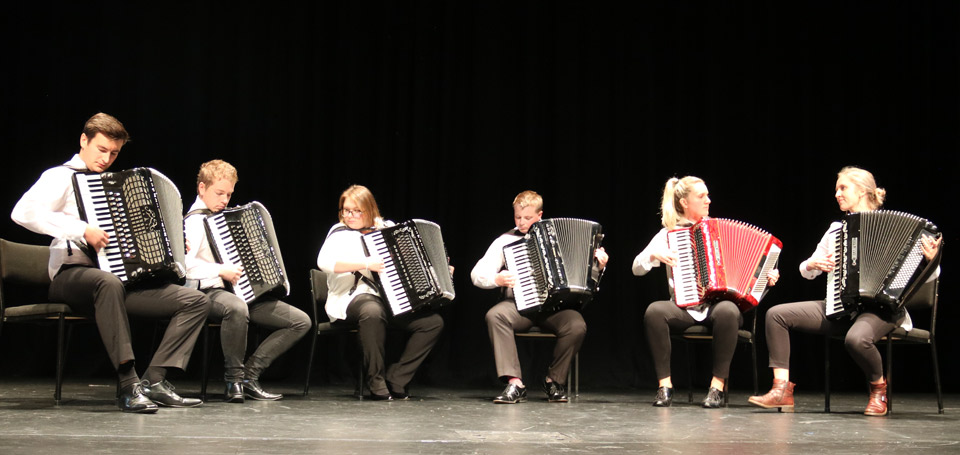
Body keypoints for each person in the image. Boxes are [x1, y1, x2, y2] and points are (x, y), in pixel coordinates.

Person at [11, 113, 210, 413]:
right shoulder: (60, 177)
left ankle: (154, 380)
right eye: (101, 149)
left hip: (118, 282)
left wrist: (171, 245)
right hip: (71, 277)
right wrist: (82, 230)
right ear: (84, 140)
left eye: (114, 153)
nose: (106, 159)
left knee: (195, 301)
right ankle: (128, 385)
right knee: (107, 282)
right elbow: (22, 212)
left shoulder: (115, 187)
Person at [748, 166, 941, 416]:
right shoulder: (836, 230)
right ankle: (781, 389)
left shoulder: (903, 229)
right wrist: (812, 264)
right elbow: (805, 269)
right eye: (836, 189)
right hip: (841, 307)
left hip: (883, 309)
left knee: (856, 339)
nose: (837, 194)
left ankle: (879, 390)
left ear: (862, 191)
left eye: (843, 188)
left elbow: (931, 277)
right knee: (776, 315)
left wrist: (932, 261)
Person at [633, 176, 780, 408]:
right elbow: (636, 268)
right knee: (654, 312)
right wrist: (653, 255)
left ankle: (716, 388)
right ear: (684, 202)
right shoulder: (668, 235)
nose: (708, 200)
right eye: (701, 196)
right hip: (685, 309)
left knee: (728, 310)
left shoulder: (718, 229)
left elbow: (754, 278)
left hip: (718, 309)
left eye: (708, 195)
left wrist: (767, 279)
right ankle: (665, 386)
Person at [183, 159, 310, 402]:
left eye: (229, 194)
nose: (224, 200)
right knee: (237, 308)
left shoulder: (225, 218)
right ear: (202, 188)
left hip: (241, 292)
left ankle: (249, 377)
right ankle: (233, 380)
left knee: (299, 321)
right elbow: (184, 267)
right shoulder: (194, 222)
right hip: (207, 293)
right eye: (219, 193)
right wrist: (220, 270)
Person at [471, 190, 608, 404]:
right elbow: (476, 274)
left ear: (540, 215)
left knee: (576, 325)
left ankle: (553, 381)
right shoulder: (505, 241)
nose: (521, 222)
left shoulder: (560, 239)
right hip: (519, 307)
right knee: (495, 316)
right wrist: (496, 279)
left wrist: (600, 266)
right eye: (518, 217)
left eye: (527, 217)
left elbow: (586, 281)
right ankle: (515, 383)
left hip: (554, 308)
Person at [316, 184, 444, 400]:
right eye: (346, 210)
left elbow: (411, 261)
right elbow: (324, 262)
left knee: (432, 323)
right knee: (372, 311)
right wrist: (366, 263)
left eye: (357, 211)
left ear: (369, 209)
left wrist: (437, 272)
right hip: (350, 298)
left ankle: (397, 378)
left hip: (390, 300)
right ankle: (375, 380)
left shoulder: (387, 228)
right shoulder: (339, 233)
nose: (350, 216)